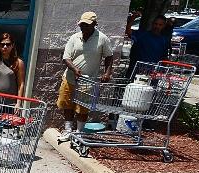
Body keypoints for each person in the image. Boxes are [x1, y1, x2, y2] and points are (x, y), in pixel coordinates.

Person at [56, 12, 114, 142]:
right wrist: (74, 69)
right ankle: (68, 130)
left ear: (94, 24)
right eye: (82, 25)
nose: (84, 27)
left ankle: (79, 133)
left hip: (88, 80)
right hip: (70, 78)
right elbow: (66, 57)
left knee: (83, 108)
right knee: (67, 105)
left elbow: (109, 57)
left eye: (87, 25)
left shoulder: (102, 39)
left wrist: (107, 73)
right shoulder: (74, 38)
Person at [125, 12, 171, 77]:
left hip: (153, 72)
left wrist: (163, 71)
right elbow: (128, 32)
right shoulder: (142, 35)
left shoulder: (164, 40)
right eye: (156, 24)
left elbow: (164, 57)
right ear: (152, 24)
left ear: (163, 26)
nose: (157, 26)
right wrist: (132, 19)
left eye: (160, 25)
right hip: (137, 70)